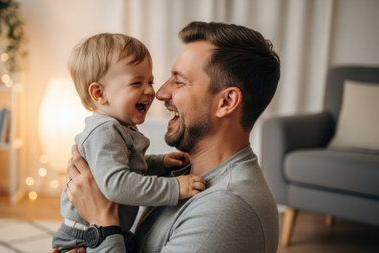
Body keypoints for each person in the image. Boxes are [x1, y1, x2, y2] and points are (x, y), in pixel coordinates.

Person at [58, 21, 281, 252]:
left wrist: (102, 223)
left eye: (180, 81)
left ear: (226, 102)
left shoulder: (224, 209)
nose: (160, 93)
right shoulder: (186, 173)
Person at [52, 33, 206, 252]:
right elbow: (118, 184)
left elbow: (128, 166)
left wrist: (160, 163)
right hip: (86, 237)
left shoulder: (120, 127)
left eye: (150, 81)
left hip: (108, 228)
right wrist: (174, 187)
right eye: (136, 83)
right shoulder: (104, 132)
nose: (150, 90)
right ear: (99, 93)